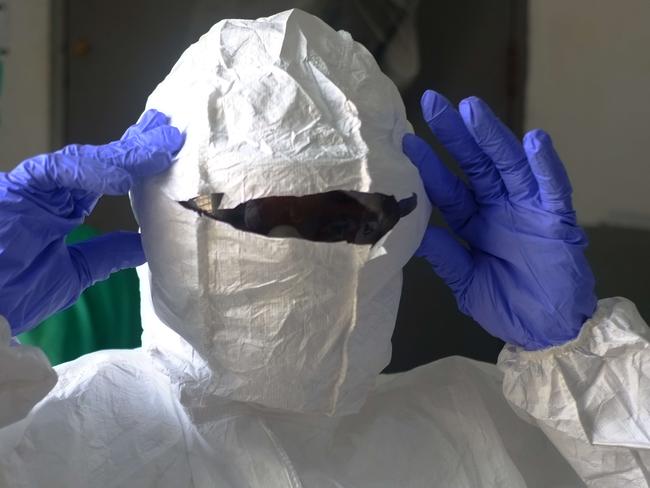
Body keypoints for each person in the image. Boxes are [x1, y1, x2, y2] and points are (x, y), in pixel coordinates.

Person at [1, 9, 649, 487]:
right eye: (257, 218)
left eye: (349, 223)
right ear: (164, 217)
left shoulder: (479, 430)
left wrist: (585, 367)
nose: (307, 253)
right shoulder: (57, 439)